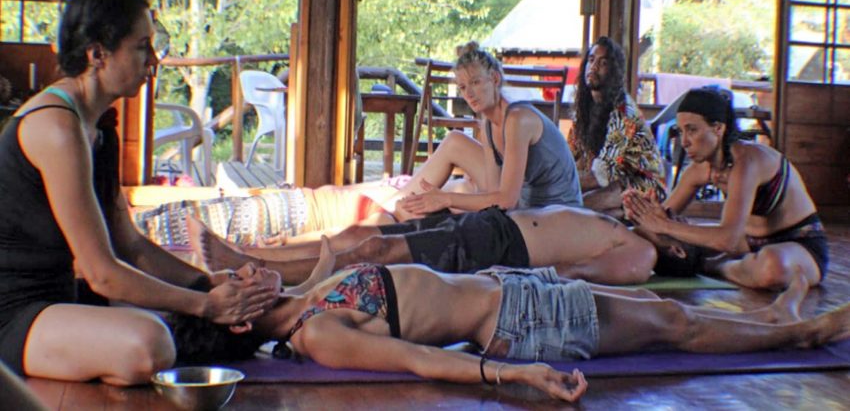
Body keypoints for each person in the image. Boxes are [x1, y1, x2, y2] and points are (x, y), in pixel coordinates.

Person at [0, 0, 280, 384]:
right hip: (12, 313)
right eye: (142, 47)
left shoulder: (99, 124)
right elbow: (101, 273)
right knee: (150, 343)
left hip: (59, 299)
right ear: (98, 54)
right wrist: (206, 305)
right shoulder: (56, 127)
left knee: (168, 317)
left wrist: (205, 284)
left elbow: (129, 243)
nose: (154, 60)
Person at [166, 242, 850, 404]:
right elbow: (421, 362)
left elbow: (323, 260)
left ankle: (785, 324)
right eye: (237, 284)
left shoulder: (305, 298)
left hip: (513, 288)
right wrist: (515, 375)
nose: (245, 274)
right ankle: (804, 334)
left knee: (666, 311)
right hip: (520, 323)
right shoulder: (316, 335)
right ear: (241, 323)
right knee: (676, 324)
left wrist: (242, 263)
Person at [623, 87, 829, 290]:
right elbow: (660, 221)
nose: (684, 142)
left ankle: (713, 267)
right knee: (670, 244)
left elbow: (727, 240)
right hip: (745, 245)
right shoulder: (699, 170)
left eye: (692, 130)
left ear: (718, 128)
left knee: (772, 268)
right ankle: (733, 266)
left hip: (800, 244)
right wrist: (640, 217)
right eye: (681, 131)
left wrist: (664, 225)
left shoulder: (748, 162)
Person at [188, 203, 658, 286]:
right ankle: (249, 258)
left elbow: (576, 274)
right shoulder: (620, 224)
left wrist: (510, 280)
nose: (659, 214)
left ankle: (261, 273)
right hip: (490, 225)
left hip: (501, 247)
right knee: (362, 235)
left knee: (373, 253)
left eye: (668, 220)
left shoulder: (644, 251)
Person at [393, 42, 581, 218]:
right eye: (463, 87)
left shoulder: (518, 119)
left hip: (555, 216)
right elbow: (494, 197)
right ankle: (399, 205)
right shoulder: (488, 125)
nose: (469, 93)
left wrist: (447, 199)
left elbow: (506, 201)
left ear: (495, 79)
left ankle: (401, 209)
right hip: (524, 208)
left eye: (475, 82)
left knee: (443, 207)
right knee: (454, 141)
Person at [131, 178, 403, 248]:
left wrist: (289, 242)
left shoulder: (388, 223)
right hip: (292, 203)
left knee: (186, 226)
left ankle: (127, 234)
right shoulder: (393, 197)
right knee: (192, 212)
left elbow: (342, 236)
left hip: (293, 217)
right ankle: (128, 226)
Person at [568, 37, 666, 217]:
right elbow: (569, 155)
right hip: (614, 185)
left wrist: (558, 185)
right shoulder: (584, 109)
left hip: (644, 186)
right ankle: (618, 215)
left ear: (613, 71)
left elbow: (601, 176)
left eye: (603, 63)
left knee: (577, 207)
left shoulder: (624, 112)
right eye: (591, 60)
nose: (594, 67)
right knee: (577, 205)